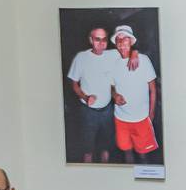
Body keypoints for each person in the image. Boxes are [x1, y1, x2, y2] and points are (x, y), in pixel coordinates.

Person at [66, 26, 121, 164]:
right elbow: (74, 84)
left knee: (105, 147)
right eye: (97, 39)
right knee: (88, 149)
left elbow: (128, 49)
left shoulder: (112, 55)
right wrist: (86, 97)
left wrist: (134, 54)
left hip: (107, 110)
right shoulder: (81, 57)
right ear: (91, 40)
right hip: (88, 111)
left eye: (104, 39)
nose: (101, 43)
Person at [110, 25, 160, 161]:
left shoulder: (143, 60)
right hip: (120, 119)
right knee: (127, 153)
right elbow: (111, 86)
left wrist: (151, 115)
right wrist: (115, 95)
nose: (121, 42)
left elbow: (153, 90)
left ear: (131, 41)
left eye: (125, 39)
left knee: (143, 155)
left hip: (141, 119)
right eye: (118, 40)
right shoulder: (112, 63)